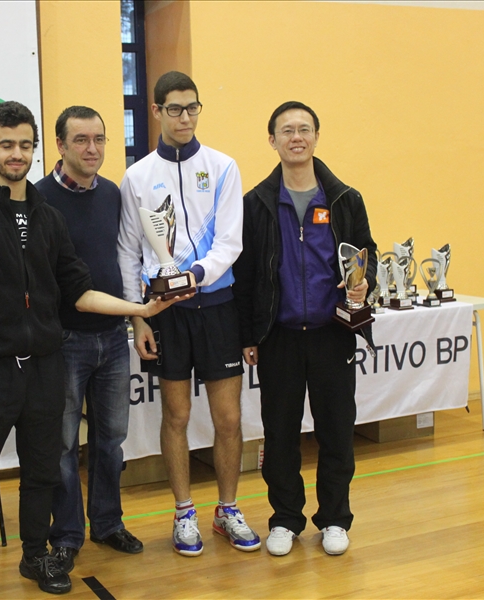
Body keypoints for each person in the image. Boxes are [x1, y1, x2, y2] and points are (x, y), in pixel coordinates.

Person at [0, 101, 186, 600]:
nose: (16, 154)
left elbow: (81, 292)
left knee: (42, 475)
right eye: (7, 145)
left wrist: (141, 309)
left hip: (46, 368)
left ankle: (35, 557)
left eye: (24, 145)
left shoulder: (47, 217)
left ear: (35, 149)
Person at [117, 71, 260, 557]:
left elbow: (231, 241)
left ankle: (227, 509)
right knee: (176, 415)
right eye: (175, 109)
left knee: (228, 417)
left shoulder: (222, 167)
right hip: (166, 315)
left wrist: (196, 274)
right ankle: (183, 513)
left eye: (192, 108)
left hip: (217, 307)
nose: (185, 117)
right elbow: (128, 252)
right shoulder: (137, 177)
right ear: (156, 111)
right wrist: (139, 317)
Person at [233, 101, 377, 558]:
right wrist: (249, 335)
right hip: (279, 337)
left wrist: (363, 282)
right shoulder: (255, 204)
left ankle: (334, 518)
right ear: (272, 140)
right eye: (287, 130)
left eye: (304, 129)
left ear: (316, 136)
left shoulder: (345, 198)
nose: (296, 137)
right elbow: (246, 275)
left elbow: (366, 254)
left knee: (337, 431)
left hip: (333, 334)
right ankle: (285, 519)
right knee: (279, 434)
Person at [35, 106, 143, 573]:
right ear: (60, 145)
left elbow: (125, 259)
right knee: (62, 447)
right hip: (64, 342)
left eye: (99, 139)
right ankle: (66, 535)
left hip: (114, 339)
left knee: (111, 440)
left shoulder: (112, 194)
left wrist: (137, 319)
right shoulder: (38, 199)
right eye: (81, 140)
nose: (92, 148)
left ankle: (107, 522)